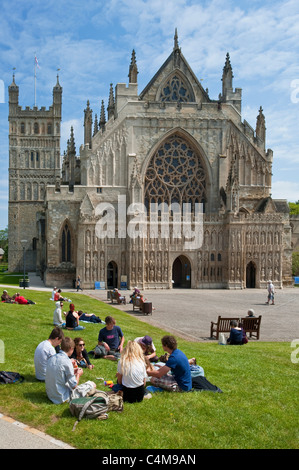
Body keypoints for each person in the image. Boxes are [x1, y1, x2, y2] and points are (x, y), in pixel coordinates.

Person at [45, 337, 84, 404]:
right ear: (71, 349)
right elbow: (74, 385)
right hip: (62, 397)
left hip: (50, 395)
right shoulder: (67, 361)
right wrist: (78, 374)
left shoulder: (52, 357)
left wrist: (72, 370)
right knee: (91, 385)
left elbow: (59, 371)